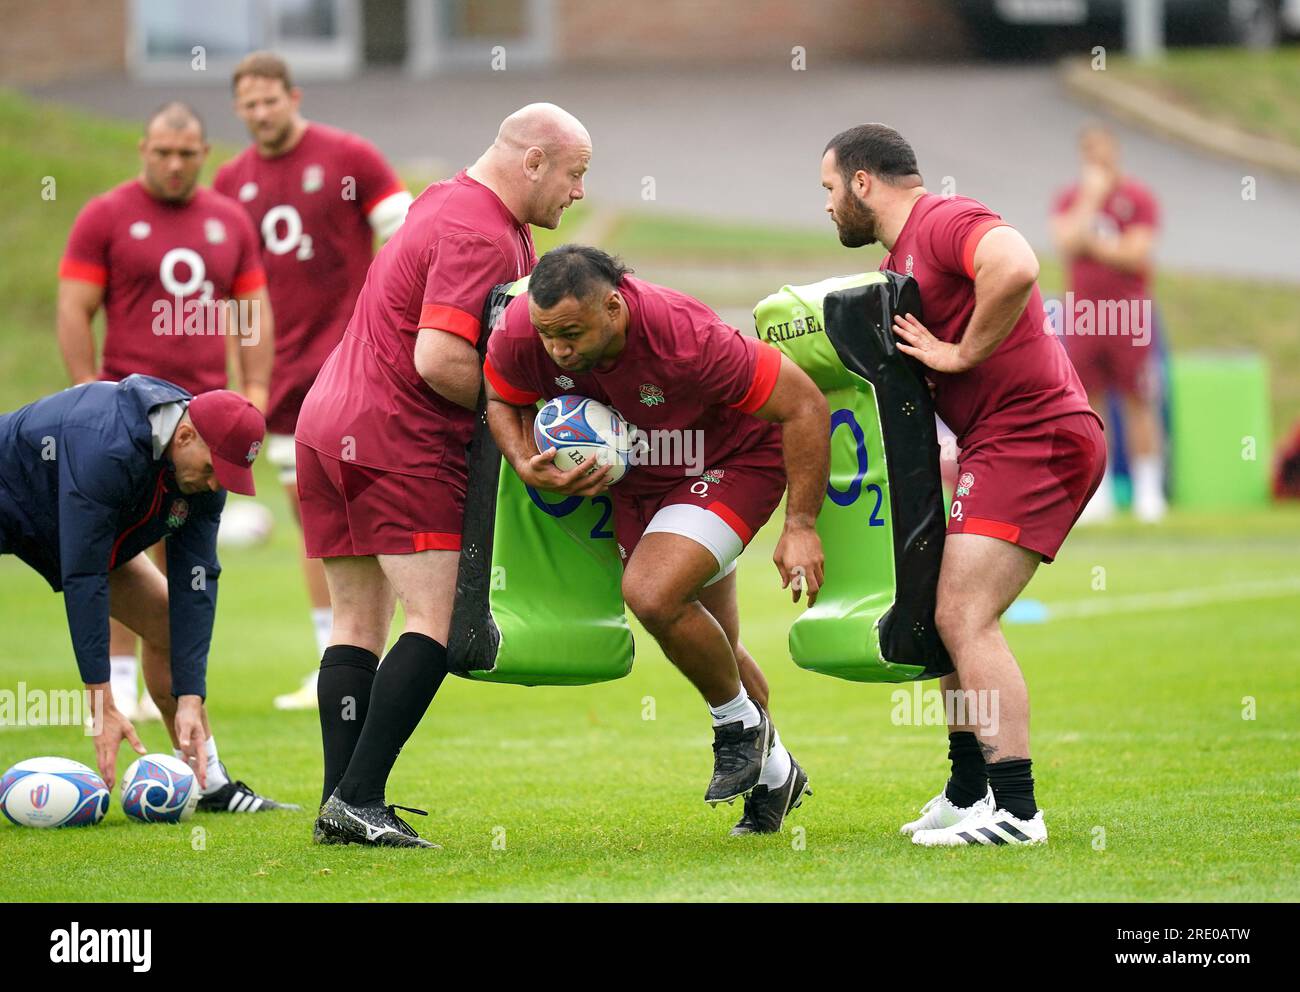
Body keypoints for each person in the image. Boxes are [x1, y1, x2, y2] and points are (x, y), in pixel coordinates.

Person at [299, 104, 591, 847]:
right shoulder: (479, 230)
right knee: (435, 619)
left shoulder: (446, 200)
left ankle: (342, 806)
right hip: (397, 434)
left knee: (357, 625)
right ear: (533, 162)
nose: (579, 192)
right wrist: (522, 423)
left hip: (328, 423)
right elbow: (439, 357)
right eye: (575, 173)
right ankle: (361, 797)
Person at [820, 124, 1105, 846]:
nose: (824, 207)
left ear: (862, 182)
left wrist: (963, 350)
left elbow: (1015, 264)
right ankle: (968, 791)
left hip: (1036, 433)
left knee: (964, 612)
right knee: (946, 611)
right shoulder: (898, 256)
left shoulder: (942, 219)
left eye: (827, 189)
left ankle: (1017, 812)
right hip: (1000, 440)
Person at [484, 245, 828, 836]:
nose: (557, 349)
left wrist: (800, 526)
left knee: (649, 593)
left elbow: (804, 405)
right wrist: (521, 459)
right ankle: (774, 777)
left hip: (730, 463)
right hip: (641, 481)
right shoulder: (523, 330)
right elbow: (501, 397)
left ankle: (736, 726)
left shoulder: (685, 337)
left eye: (571, 333)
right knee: (717, 644)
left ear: (615, 307)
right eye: (548, 336)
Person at [57, 101, 275, 726]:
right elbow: (75, 308)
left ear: (204, 155)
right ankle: (118, 684)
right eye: (162, 152)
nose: (174, 164)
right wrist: (84, 394)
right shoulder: (105, 215)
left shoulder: (229, 221)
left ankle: (179, 692)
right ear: (142, 150)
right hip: (127, 422)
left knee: (184, 555)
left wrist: (255, 385)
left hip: (204, 428)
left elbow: (251, 311)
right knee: (112, 549)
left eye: (186, 153)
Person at [214, 52, 413, 710]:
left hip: (355, 367)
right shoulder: (229, 183)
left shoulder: (348, 156)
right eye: (250, 103)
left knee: (375, 510)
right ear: (238, 109)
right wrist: (247, 377)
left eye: (272, 100)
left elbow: (406, 235)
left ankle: (398, 650)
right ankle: (336, 663)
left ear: (293, 97)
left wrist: (388, 322)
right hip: (284, 384)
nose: (262, 112)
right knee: (316, 524)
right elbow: (236, 295)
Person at [0, 376, 294, 812]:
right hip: (14, 496)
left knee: (171, 629)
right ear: (185, 435)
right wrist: (102, 703)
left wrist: (191, 696)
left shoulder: (204, 477)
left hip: (74, 524)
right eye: (213, 469)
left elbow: (196, 579)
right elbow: (85, 575)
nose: (216, 485)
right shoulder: (106, 445)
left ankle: (209, 782)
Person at [1051, 122, 1165, 523]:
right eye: (1089, 152)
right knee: (1089, 403)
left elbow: (1135, 254)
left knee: (1139, 398)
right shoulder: (1071, 198)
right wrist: (1090, 200)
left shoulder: (1137, 198)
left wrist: (1093, 245)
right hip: (1083, 311)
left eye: (1102, 151)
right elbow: (1065, 242)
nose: (1096, 160)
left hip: (1128, 310)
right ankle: (1097, 493)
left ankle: (1148, 490)